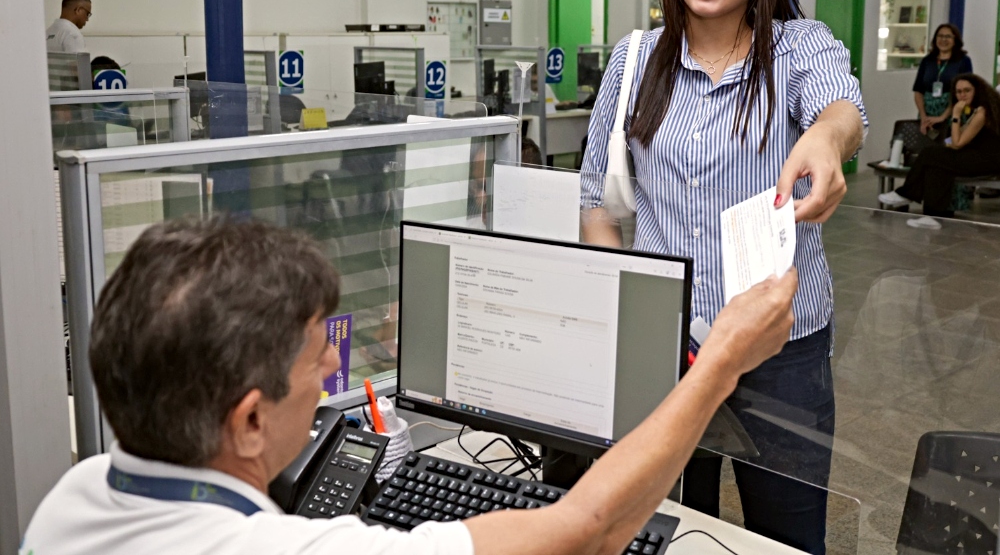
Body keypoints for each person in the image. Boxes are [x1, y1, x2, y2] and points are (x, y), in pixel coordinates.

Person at [22, 216, 797, 555]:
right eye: (315, 360)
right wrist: (722, 357)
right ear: (250, 421)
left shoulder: (76, 494)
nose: (335, 369)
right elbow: (587, 532)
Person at [579, 0, 866, 555]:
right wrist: (618, 307)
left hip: (780, 347)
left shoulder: (799, 48)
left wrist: (826, 141)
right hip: (665, 344)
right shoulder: (633, 60)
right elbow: (598, 203)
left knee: (788, 532)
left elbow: (842, 110)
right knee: (669, 525)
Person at [879, 73, 1000, 228]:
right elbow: (958, 138)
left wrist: (955, 115)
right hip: (977, 156)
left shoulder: (983, 111)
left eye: (967, 91)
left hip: (989, 160)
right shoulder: (974, 110)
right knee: (937, 164)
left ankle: (907, 193)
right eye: (959, 91)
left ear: (977, 90)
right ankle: (934, 216)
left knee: (930, 153)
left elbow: (957, 143)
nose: (962, 95)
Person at [911, 23, 972, 136]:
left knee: (949, 148)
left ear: (955, 40)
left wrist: (943, 117)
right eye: (940, 36)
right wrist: (923, 116)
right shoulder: (927, 61)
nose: (943, 40)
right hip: (927, 116)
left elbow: (964, 93)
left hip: (952, 113)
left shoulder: (963, 61)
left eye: (948, 36)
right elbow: (918, 91)